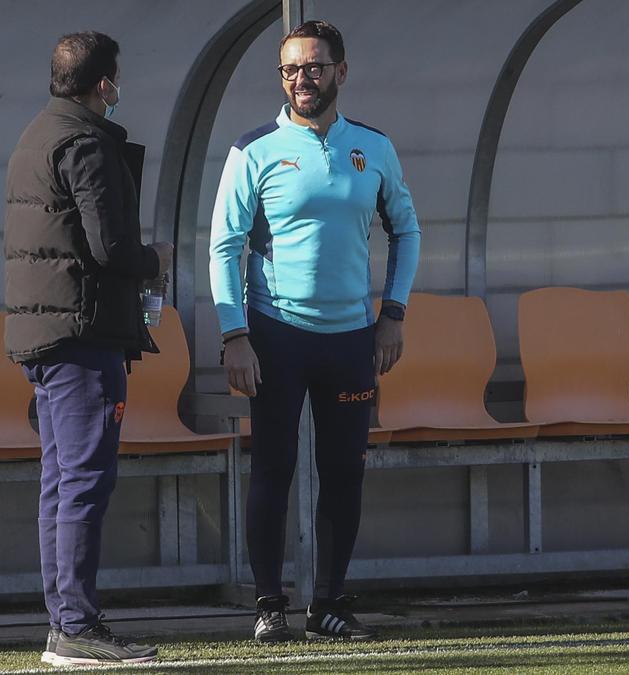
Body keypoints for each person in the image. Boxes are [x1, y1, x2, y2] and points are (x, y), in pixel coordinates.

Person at [209, 20, 421, 643]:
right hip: (277, 335)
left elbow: (406, 229)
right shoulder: (255, 150)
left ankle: (329, 603)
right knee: (273, 468)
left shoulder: (373, 147)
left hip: (353, 338)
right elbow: (223, 245)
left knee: (344, 471)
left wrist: (394, 313)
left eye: (315, 67)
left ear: (341, 72)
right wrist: (234, 333)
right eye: (291, 68)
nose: (303, 78)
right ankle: (270, 605)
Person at [3, 31, 173, 667]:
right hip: (81, 332)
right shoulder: (87, 142)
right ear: (103, 84)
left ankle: (65, 622)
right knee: (84, 479)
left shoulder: (37, 133)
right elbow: (110, 250)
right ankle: (74, 625)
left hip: (45, 334)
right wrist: (153, 259)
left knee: (60, 478)